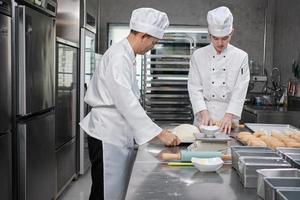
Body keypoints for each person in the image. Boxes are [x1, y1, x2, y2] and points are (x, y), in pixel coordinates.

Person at [79, 7, 181, 200]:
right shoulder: (119, 57)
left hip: (114, 132)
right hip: (106, 134)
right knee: (104, 191)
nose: (153, 47)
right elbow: (126, 102)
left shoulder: (127, 55)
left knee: (111, 189)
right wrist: (159, 133)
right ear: (143, 36)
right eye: (153, 42)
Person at [188, 6, 250, 134]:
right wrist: (203, 112)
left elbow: (240, 89)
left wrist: (229, 115)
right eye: (215, 38)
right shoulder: (198, 55)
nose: (220, 43)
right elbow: (194, 88)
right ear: (209, 35)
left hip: (228, 119)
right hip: (204, 117)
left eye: (225, 38)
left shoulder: (241, 56)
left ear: (231, 33)